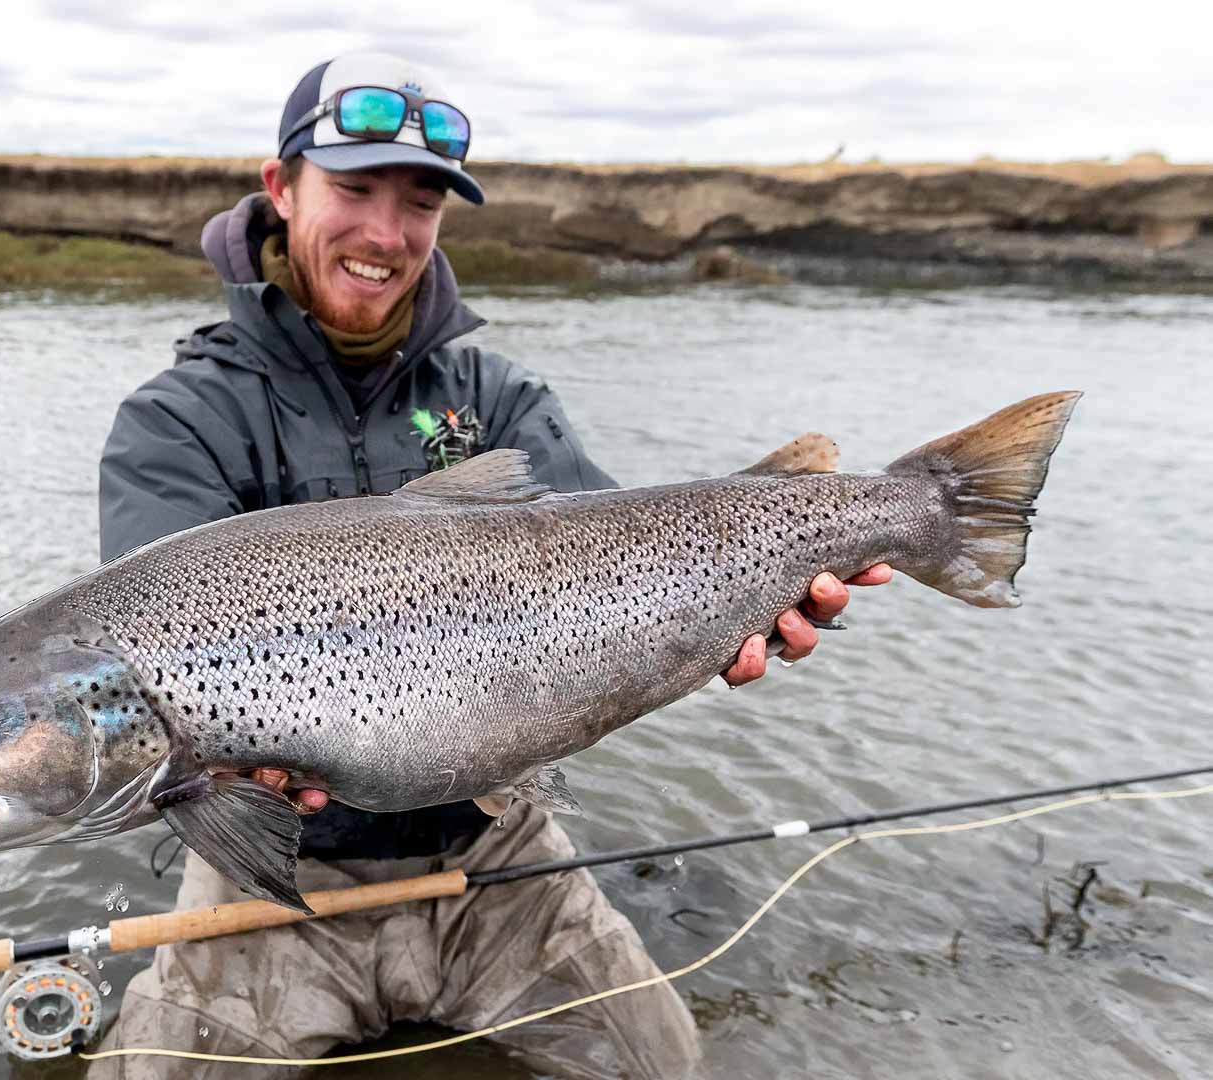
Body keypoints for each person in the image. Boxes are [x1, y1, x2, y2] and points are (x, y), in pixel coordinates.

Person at [88, 52, 890, 1080]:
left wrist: (752, 604)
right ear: (280, 189)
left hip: (497, 849)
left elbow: (628, 566)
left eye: (419, 202)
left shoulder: (498, 395)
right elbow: (139, 672)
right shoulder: (179, 419)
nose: (387, 233)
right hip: (268, 875)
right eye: (356, 189)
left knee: (665, 1065)